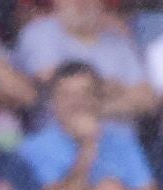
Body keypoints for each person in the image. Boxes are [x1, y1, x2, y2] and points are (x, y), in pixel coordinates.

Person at [18, 61, 160, 190]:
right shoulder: (35, 147)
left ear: (98, 98)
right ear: (53, 101)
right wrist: (88, 147)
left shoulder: (122, 141)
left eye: (86, 93)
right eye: (67, 95)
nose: (77, 102)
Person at [14, 0, 152, 120]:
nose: (81, 3)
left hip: (119, 142)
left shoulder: (119, 43)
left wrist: (95, 109)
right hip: (58, 139)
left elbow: (147, 98)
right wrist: (117, 90)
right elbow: (50, 79)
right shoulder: (39, 32)